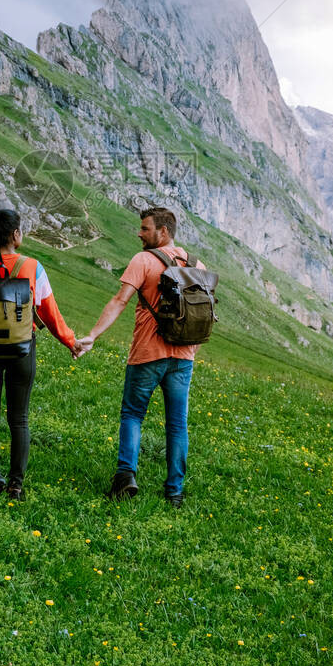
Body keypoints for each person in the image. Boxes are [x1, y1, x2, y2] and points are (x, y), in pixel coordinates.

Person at [77, 207, 206, 507]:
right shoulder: (194, 261)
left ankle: (125, 478)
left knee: (133, 415)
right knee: (177, 425)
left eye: (145, 228)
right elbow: (205, 310)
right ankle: (175, 491)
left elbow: (119, 300)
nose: (139, 233)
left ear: (163, 232)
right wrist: (192, 349)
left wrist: (93, 335)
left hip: (148, 354)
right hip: (183, 357)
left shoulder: (143, 261)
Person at [0, 209, 84, 501]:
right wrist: (71, 342)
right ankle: (15, 485)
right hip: (22, 350)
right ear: (15, 235)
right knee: (19, 419)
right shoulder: (32, 267)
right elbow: (50, 314)